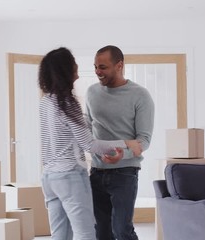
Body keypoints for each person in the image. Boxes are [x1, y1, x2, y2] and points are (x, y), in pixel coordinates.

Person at [38, 47, 142, 240]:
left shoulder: (46, 101)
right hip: (69, 176)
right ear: (66, 69)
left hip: (49, 177)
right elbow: (89, 144)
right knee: (85, 233)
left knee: (59, 235)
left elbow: (72, 137)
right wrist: (127, 142)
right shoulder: (68, 102)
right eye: (73, 62)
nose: (77, 65)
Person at [85, 45, 155, 240]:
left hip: (125, 173)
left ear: (119, 65)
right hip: (96, 173)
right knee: (101, 232)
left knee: (121, 229)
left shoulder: (140, 95)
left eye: (103, 67)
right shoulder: (91, 93)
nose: (98, 72)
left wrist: (123, 155)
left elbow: (144, 139)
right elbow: (87, 127)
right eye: (95, 67)